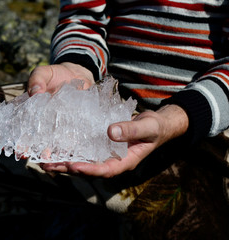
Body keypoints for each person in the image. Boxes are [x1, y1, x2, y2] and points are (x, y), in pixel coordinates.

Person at [27, 0, 229, 178]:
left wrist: (179, 117)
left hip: (207, 119)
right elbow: (83, 19)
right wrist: (76, 64)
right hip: (112, 106)